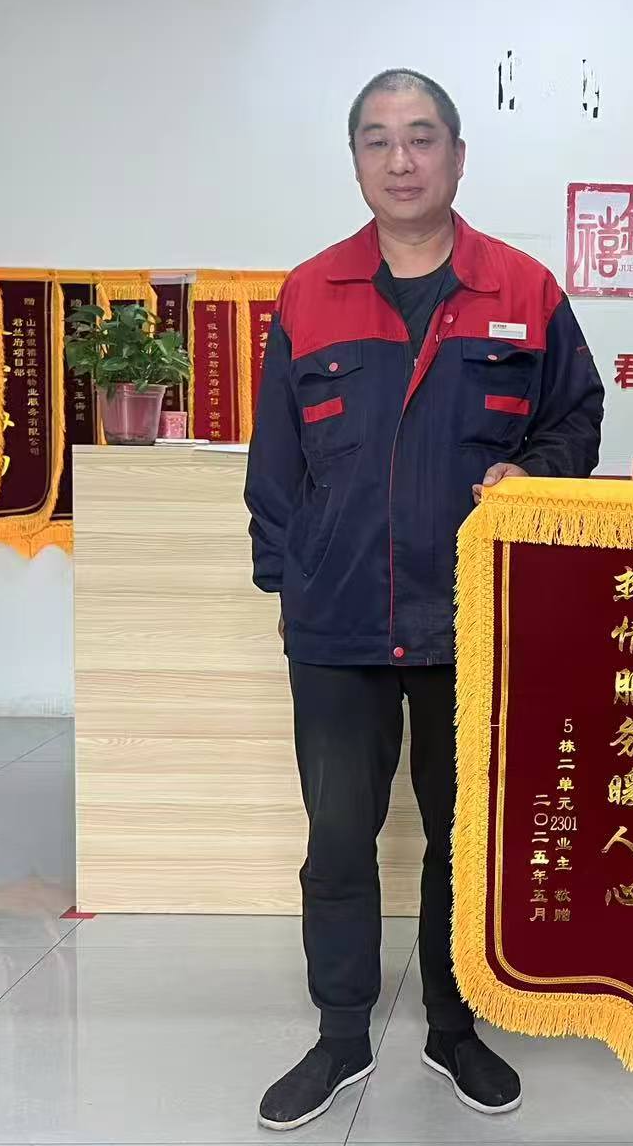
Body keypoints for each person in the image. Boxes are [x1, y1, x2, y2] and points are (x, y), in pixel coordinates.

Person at [245, 68, 604, 1130]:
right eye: (377, 140)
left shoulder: (524, 289)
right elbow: (276, 463)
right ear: (355, 159)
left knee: (466, 837)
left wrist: (533, 471)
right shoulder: (309, 292)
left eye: (420, 137)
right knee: (337, 840)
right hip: (339, 622)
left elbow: (576, 419)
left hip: (477, 624)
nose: (400, 161)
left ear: (457, 153)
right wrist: (290, 578)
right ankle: (339, 1033)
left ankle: (455, 1026)